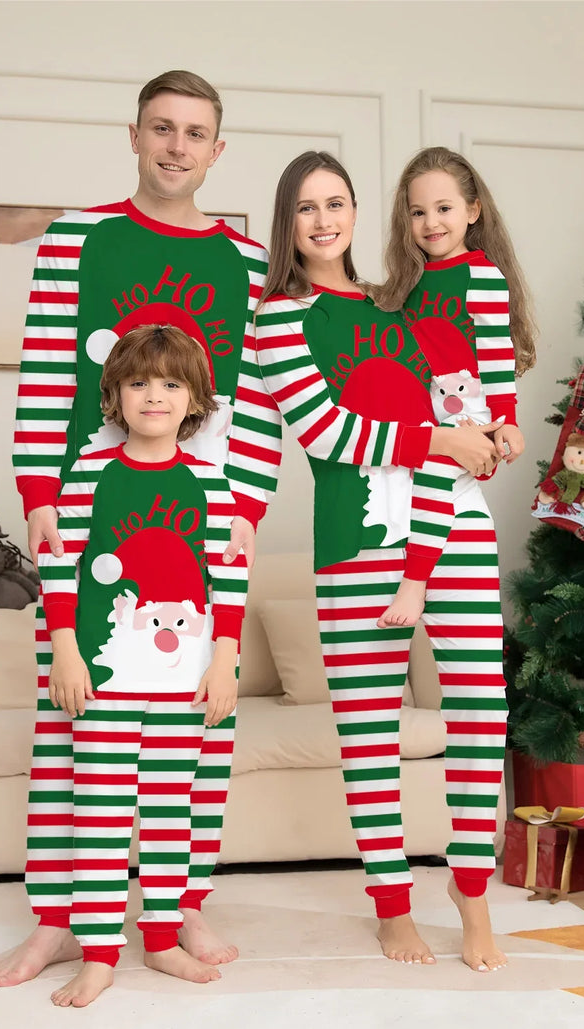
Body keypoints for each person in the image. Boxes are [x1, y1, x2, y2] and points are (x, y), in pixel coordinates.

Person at [0, 69, 279, 989]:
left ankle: (177, 907)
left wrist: (248, 507)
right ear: (136, 134)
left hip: (202, 512)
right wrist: (40, 492)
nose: (177, 146)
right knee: (71, 729)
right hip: (90, 513)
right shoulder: (77, 236)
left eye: (196, 132)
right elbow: (44, 372)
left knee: (198, 733)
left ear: (217, 150)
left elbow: (259, 395)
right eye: (162, 128)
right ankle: (59, 919)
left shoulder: (243, 257)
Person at [242, 150, 507, 972]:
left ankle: (472, 894)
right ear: (288, 222)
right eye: (305, 208)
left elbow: (466, 392)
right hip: (354, 540)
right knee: (368, 733)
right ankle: (391, 904)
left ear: (361, 213)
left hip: (453, 522)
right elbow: (327, 434)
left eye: (337, 203)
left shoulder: (402, 301)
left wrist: (492, 434)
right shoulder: (280, 318)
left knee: (481, 716)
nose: (324, 221)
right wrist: (440, 438)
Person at [40, 323, 248, 1007]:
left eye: (169, 383)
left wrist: (225, 660)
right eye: (137, 382)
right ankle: (99, 951)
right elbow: (59, 566)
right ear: (115, 395)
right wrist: (65, 650)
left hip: (187, 680)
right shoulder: (89, 476)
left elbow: (229, 577)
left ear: (193, 399)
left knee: (169, 812)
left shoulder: (215, 484)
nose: (153, 395)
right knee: (99, 812)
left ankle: (159, 938)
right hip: (103, 678)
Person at [376, 146, 537, 628]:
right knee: (415, 473)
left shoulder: (482, 275)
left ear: (472, 210)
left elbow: (495, 350)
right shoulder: (410, 280)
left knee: (432, 475)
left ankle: (415, 584)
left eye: (443, 209)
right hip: (427, 408)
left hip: (472, 411)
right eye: (418, 212)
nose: (431, 223)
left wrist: (505, 420)